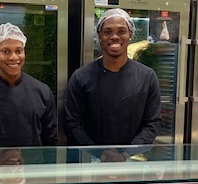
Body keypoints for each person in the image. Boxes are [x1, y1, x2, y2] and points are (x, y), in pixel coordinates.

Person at [64, 8, 161, 159]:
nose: (114, 37)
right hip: (91, 161)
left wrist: (126, 154)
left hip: (133, 160)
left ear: (131, 34)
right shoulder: (81, 77)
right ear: (99, 36)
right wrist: (99, 153)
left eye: (121, 31)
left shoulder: (147, 77)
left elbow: (152, 123)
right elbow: (72, 124)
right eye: (108, 31)